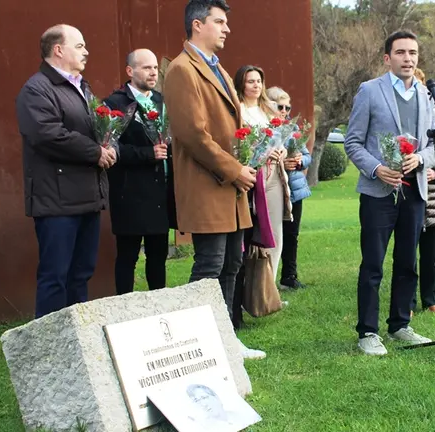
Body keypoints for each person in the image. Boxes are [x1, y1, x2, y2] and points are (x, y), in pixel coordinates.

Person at [163, 0, 264, 359]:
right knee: (209, 265)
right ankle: (190, 343)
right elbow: (192, 134)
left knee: (232, 264)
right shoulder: (182, 70)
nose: (227, 29)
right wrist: (235, 170)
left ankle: (224, 339)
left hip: (230, 187)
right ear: (196, 25)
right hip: (209, 184)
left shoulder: (217, 68)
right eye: (219, 22)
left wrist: (248, 160)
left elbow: (230, 130)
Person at [344, 30, 435, 356]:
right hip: (377, 192)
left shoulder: (427, 95)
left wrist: (421, 158)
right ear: (388, 58)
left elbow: (433, 146)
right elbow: (352, 142)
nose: (407, 58)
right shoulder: (370, 91)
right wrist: (375, 168)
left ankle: (400, 325)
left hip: (414, 192)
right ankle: (367, 332)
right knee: (373, 264)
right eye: (400, 52)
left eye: (412, 53)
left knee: (407, 262)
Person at [16, 24, 117, 319]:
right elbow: (47, 135)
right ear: (58, 50)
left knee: (81, 274)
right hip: (56, 201)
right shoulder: (36, 89)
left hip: (87, 196)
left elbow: (94, 129)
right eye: (80, 46)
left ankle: (77, 339)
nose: (87, 51)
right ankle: (47, 346)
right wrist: (95, 152)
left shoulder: (82, 88)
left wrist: (109, 145)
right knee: (55, 276)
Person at [104, 49, 170, 295]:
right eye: (146, 68)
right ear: (130, 71)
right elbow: (111, 147)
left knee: (158, 255)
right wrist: (147, 154)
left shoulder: (161, 101)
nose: (153, 72)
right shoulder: (115, 103)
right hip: (130, 191)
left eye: (155, 68)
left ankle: (158, 303)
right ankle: (125, 306)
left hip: (159, 192)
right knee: (128, 256)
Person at [231, 66, 292, 330]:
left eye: (259, 81)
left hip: (273, 175)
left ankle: (270, 288)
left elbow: (282, 139)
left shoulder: (268, 110)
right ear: (241, 84)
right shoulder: (238, 110)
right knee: (253, 236)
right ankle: (244, 292)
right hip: (251, 177)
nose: (255, 85)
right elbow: (239, 144)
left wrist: (281, 151)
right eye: (250, 81)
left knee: (275, 234)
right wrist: (259, 156)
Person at [267, 86, 312, 290]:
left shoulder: (292, 130)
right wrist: (281, 163)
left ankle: (289, 276)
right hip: (274, 187)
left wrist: (300, 161)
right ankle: (268, 281)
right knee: (274, 235)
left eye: (288, 107)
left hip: (294, 188)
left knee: (292, 234)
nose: (285, 111)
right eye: (280, 106)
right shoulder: (264, 129)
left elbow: (307, 155)